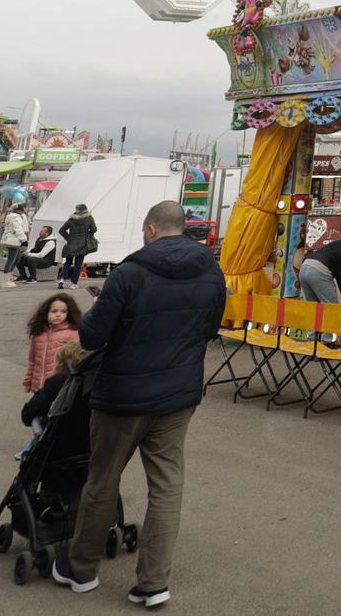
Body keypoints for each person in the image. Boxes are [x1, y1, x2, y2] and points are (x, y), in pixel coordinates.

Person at [53, 201, 224, 609]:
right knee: (166, 486)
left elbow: (92, 336)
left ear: (150, 230)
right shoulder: (211, 272)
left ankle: (82, 568)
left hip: (123, 397)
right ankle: (152, 582)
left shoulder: (129, 273)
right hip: (179, 394)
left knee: (102, 479)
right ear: (183, 229)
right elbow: (211, 327)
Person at [25, 292, 84, 393]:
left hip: (59, 386)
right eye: (54, 311)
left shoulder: (72, 334)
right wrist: (28, 380)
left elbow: (77, 362)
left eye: (63, 311)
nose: (58, 315)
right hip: (38, 385)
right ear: (46, 312)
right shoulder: (39, 333)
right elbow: (32, 360)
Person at [59, 203, 100, 285]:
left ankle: (62, 280)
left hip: (71, 244)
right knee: (78, 264)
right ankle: (74, 284)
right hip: (82, 245)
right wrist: (88, 234)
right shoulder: (89, 218)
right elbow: (94, 229)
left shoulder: (71, 219)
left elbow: (61, 230)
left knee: (68, 262)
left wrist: (68, 238)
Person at [0, 202, 32, 289]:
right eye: (27, 207)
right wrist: (24, 239)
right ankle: (5, 281)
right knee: (11, 260)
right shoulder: (17, 217)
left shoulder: (15, 215)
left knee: (17, 259)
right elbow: (18, 229)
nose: (27, 209)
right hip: (14, 241)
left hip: (15, 240)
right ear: (23, 208)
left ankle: (8, 277)